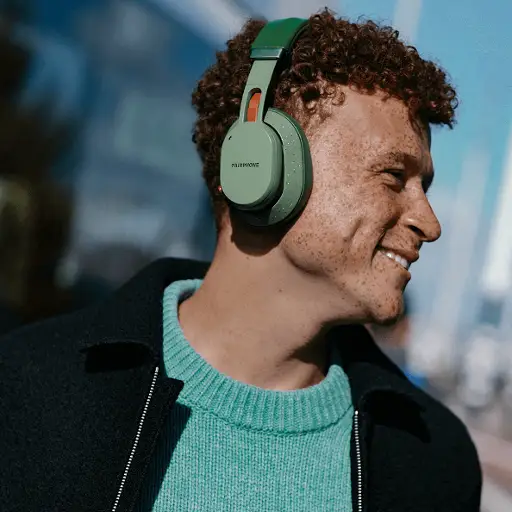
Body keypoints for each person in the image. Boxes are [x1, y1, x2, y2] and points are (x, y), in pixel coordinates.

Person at [0, 10, 481, 512]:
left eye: (423, 186)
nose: (430, 223)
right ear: (258, 166)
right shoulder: (26, 390)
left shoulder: (433, 462)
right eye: (392, 176)